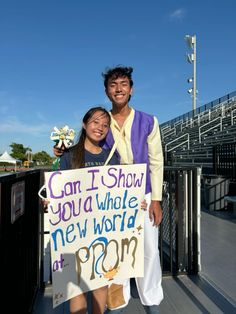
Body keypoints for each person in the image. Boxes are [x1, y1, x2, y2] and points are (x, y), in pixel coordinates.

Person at [54, 66, 164, 314]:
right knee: (116, 253)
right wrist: (62, 150)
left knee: (148, 251)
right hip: (110, 200)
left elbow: (157, 161)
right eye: (113, 85)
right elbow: (86, 145)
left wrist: (156, 199)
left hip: (143, 194)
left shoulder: (149, 121)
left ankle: (152, 303)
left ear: (131, 89)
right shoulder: (104, 120)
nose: (118, 89)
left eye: (123, 84)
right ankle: (117, 303)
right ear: (107, 91)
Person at [60, 106, 119, 314]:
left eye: (105, 125)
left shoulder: (113, 156)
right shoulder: (69, 156)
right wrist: (51, 201)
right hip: (75, 232)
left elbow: (120, 193)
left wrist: (134, 204)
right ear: (85, 125)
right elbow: (59, 191)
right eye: (95, 122)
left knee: (101, 284)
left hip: (103, 231)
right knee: (77, 287)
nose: (100, 128)